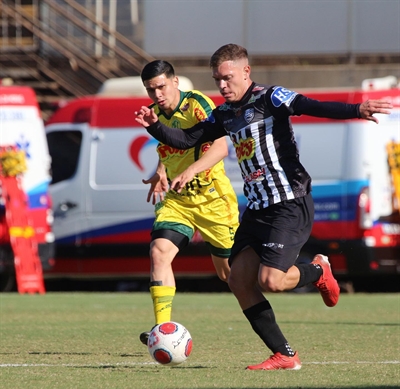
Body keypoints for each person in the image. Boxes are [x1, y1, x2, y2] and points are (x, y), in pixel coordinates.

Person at [135, 44, 393, 370]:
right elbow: (187, 139)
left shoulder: (270, 98)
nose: (222, 86)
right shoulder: (225, 114)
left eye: (227, 78)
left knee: (271, 280)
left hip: (289, 201)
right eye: (217, 80)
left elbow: (311, 105)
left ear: (246, 72)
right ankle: (285, 354)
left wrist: (356, 109)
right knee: (239, 280)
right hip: (257, 208)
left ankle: (317, 270)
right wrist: (153, 126)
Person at [138, 60, 240, 345]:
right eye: (150, 89)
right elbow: (169, 145)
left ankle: (312, 272)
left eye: (161, 86)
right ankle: (162, 331)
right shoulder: (155, 114)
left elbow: (220, 147)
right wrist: (160, 171)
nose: (157, 94)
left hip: (213, 200)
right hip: (178, 200)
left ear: (174, 82)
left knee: (231, 276)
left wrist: (191, 170)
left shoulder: (197, 105)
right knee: (159, 252)